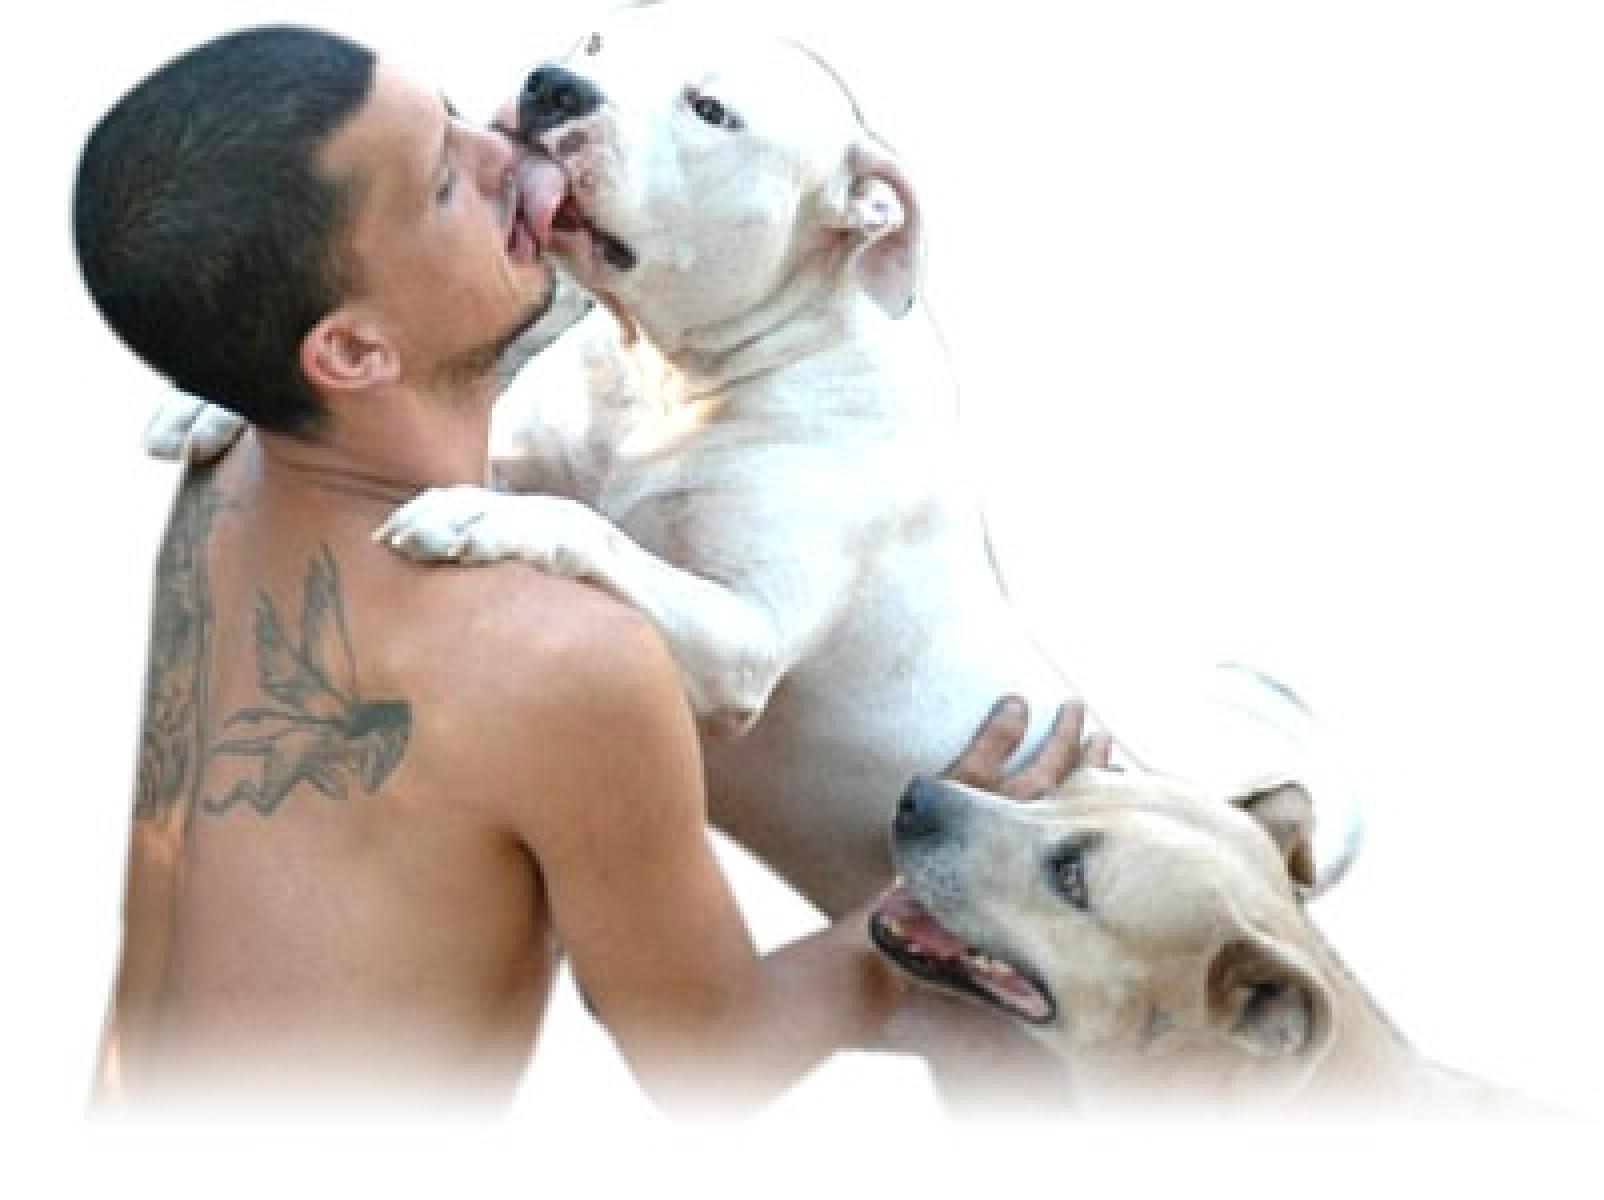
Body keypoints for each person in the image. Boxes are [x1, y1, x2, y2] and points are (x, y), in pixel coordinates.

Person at [74, 24, 1107, 1115]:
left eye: (459, 117)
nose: (506, 146)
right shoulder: (562, 656)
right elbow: (710, 1063)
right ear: (352, 350)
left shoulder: (234, 462)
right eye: (443, 184)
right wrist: (931, 906)